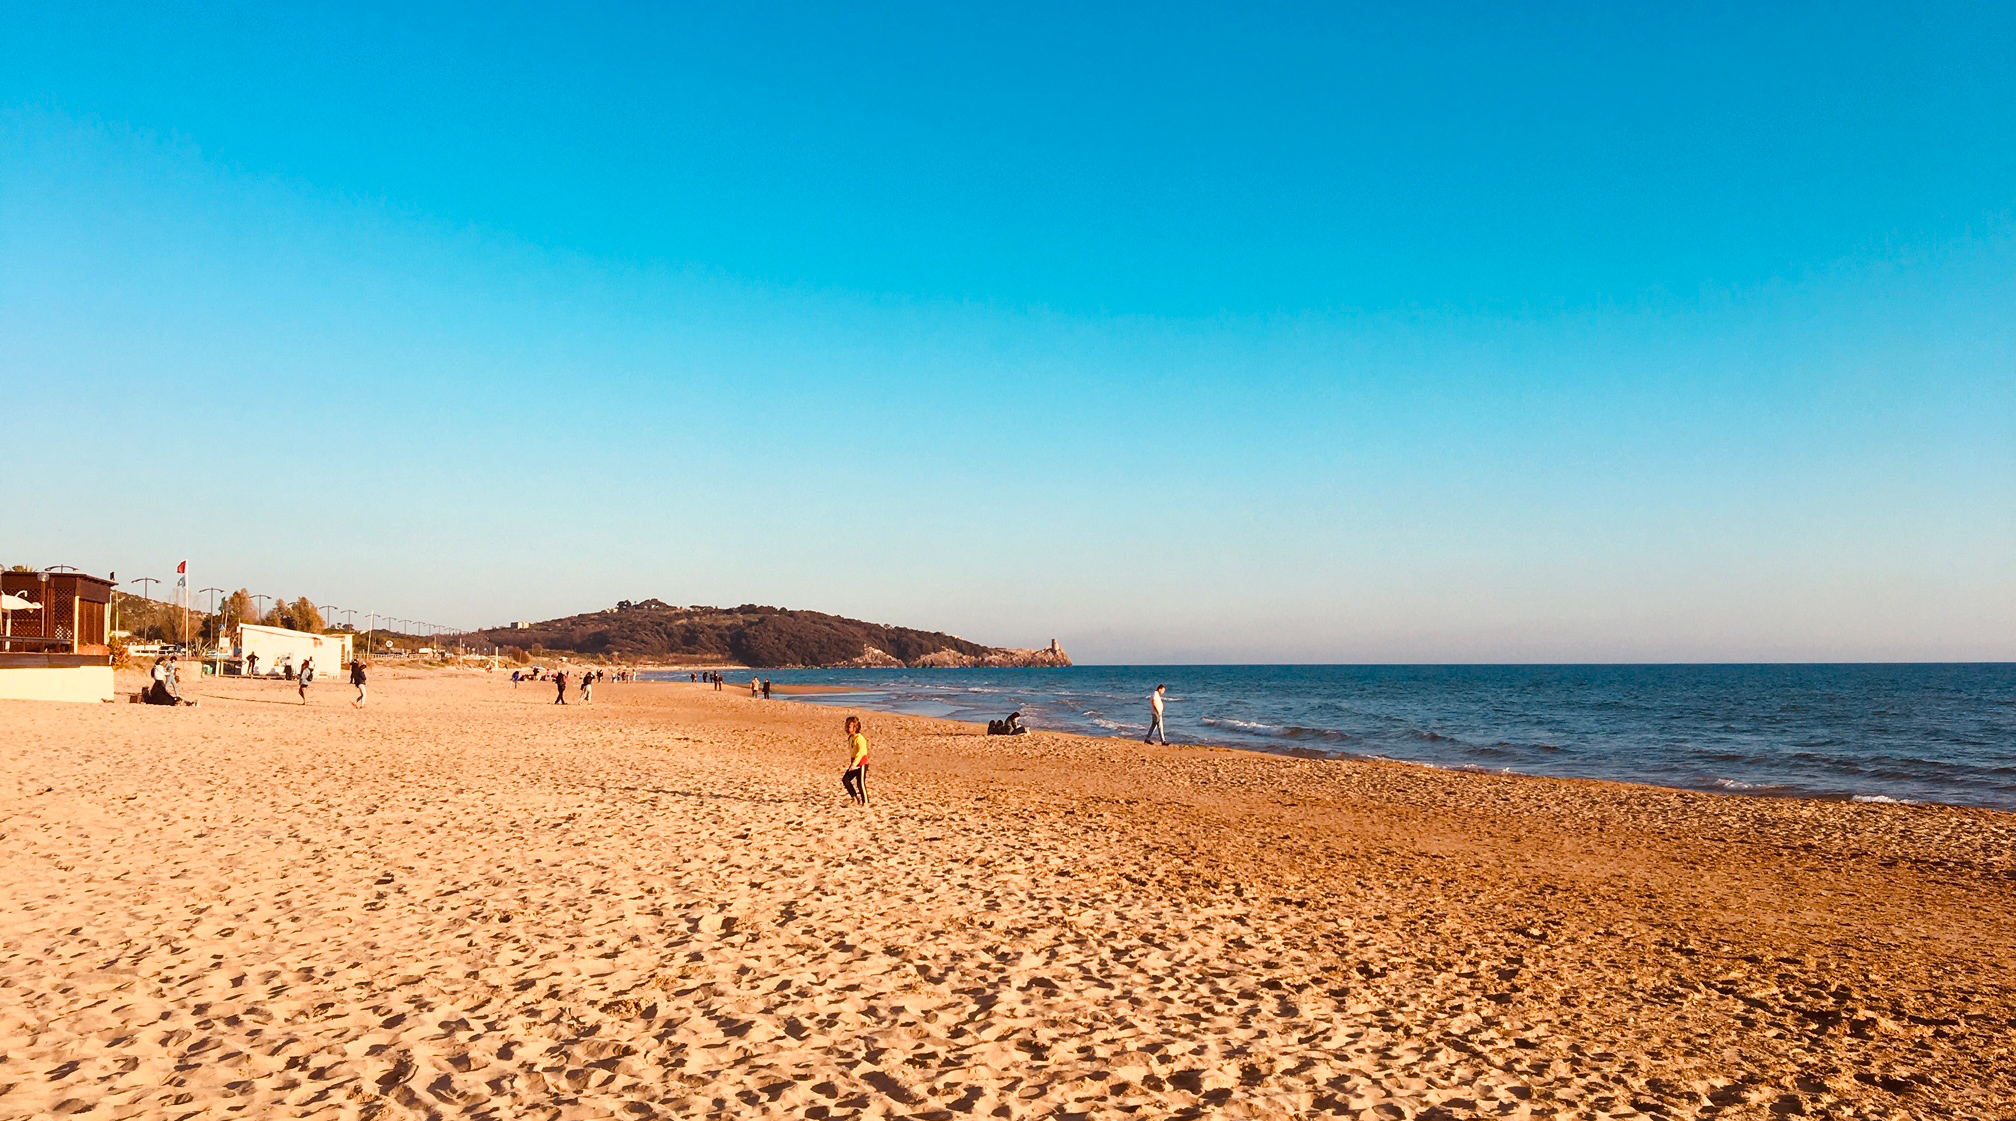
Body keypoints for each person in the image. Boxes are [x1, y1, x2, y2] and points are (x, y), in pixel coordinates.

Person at [841, 716, 870, 806]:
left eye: (850, 726)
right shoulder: (851, 738)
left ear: (855, 727)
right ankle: (854, 798)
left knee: (860, 783)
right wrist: (852, 763)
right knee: (846, 780)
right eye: (847, 726)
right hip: (854, 762)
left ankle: (865, 802)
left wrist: (854, 764)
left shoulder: (860, 738)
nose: (848, 728)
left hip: (861, 762)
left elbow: (861, 753)